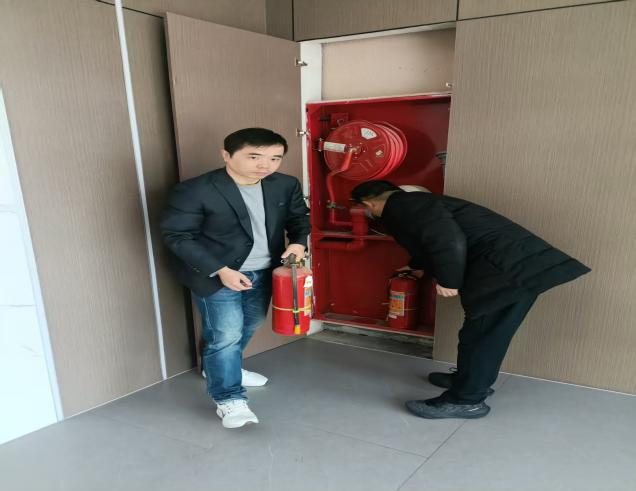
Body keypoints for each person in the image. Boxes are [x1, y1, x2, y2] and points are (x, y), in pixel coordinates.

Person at [351, 180, 590, 419]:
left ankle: (467, 400)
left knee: (482, 337)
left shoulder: (402, 206)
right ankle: (469, 380)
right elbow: (427, 239)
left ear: (368, 203)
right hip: (513, 269)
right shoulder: (413, 203)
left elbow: (447, 239)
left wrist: (449, 280)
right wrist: (417, 266)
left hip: (506, 274)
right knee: (482, 335)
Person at [160, 128, 310, 428]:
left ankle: (220, 368)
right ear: (226, 155)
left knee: (251, 323)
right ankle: (228, 398)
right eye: (254, 156)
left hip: (264, 271)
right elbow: (177, 235)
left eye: (275, 158)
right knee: (226, 335)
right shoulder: (196, 189)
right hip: (219, 273)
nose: (265, 165)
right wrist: (221, 270)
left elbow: (299, 218)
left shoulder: (284, 184)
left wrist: (298, 242)